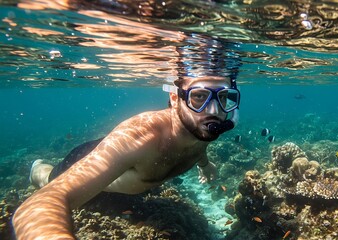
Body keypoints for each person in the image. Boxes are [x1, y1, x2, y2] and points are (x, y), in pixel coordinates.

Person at [12, 34, 241, 239]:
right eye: (199, 97)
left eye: (223, 97)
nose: (214, 111)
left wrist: (205, 164)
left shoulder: (201, 126)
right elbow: (41, 203)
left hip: (125, 185)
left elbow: (198, 145)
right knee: (47, 178)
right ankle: (37, 167)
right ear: (174, 98)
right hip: (91, 158)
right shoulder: (140, 137)